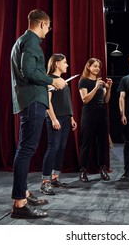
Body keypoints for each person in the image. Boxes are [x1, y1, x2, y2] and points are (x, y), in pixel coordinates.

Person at [10, 9, 66, 219]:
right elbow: (29, 71)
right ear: (42, 24)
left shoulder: (21, 41)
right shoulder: (32, 41)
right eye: (48, 26)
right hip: (32, 101)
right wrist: (52, 80)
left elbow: (27, 74)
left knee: (24, 149)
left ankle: (22, 193)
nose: (48, 30)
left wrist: (46, 87)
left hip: (30, 98)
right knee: (25, 150)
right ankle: (19, 203)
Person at [40, 54, 77, 195]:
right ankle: (45, 182)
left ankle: (55, 178)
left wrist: (71, 117)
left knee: (61, 148)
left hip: (65, 118)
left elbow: (66, 101)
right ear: (57, 64)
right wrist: (54, 119)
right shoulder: (50, 81)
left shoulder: (63, 81)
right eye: (65, 62)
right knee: (53, 148)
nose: (67, 65)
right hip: (55, 118)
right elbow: (47, 102)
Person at [78, 58, 112, 182]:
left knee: (101, 143)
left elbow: (106, 100)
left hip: (101, 113)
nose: (97, 69)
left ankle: (102, 169)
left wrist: (109, 88)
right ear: (89, 67)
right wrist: (96, 86)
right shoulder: (83, 81)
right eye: (95, 66)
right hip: (89, 114)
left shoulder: (101, 82)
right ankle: (83, 171)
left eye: (99, 67)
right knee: (87, 142)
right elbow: (85, 99)